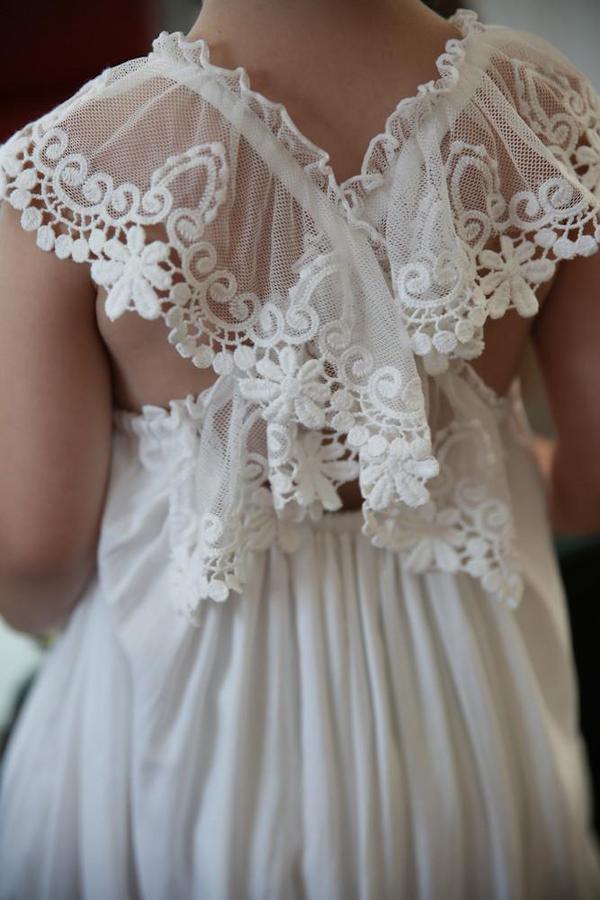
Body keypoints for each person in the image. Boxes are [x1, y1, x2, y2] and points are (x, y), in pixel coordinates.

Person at [1, 0, 600, 896]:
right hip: (466, 711)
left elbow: (36, 554)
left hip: (192, 724)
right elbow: (591, 486)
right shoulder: (542, 104)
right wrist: (498, 470)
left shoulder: (79, 163)